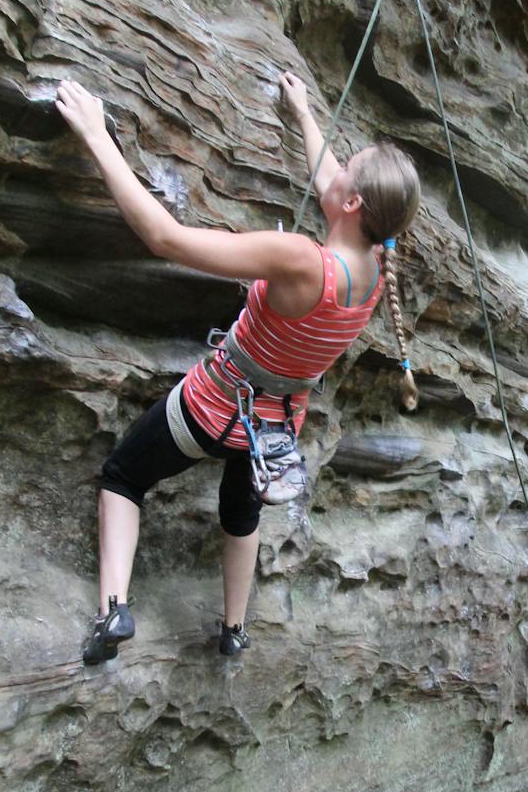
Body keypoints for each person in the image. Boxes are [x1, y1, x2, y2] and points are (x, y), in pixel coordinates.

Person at [54, 74, 421, 663]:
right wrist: (301, 112)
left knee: (124, 476)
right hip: (275, 430)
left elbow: (164, 237)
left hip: (212, 407)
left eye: (348, 168)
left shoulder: (300, 258)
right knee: (240, 510)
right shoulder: (377, 273)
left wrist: (99, 135)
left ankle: (113, 612)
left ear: (354, 203)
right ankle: (233, 629)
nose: (336, 169)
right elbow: (333, 183)